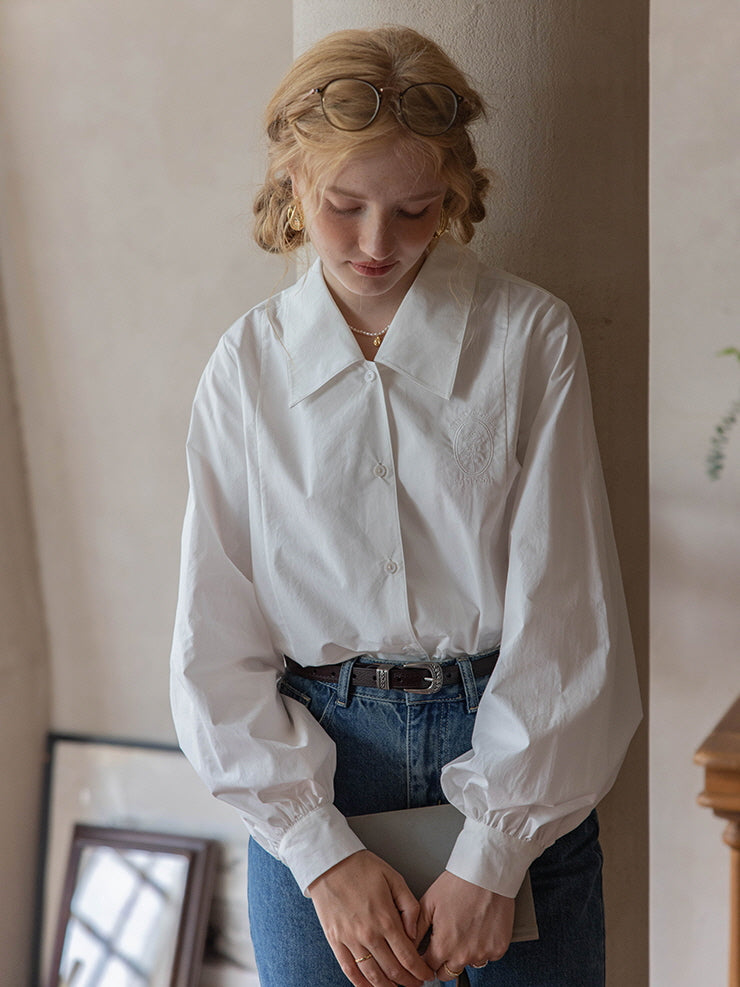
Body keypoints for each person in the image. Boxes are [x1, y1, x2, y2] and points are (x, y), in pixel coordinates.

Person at [170, 25, 642, 987]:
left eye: (415, 210)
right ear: (293, 182)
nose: (377, 245)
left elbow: (569, 612)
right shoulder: (247, 368)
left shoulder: (527, 339)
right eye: (344, 207)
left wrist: (493, 852)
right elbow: (212, 637)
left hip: (518, 759)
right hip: (319, 782)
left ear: (454, 197)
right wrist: (320, 852)